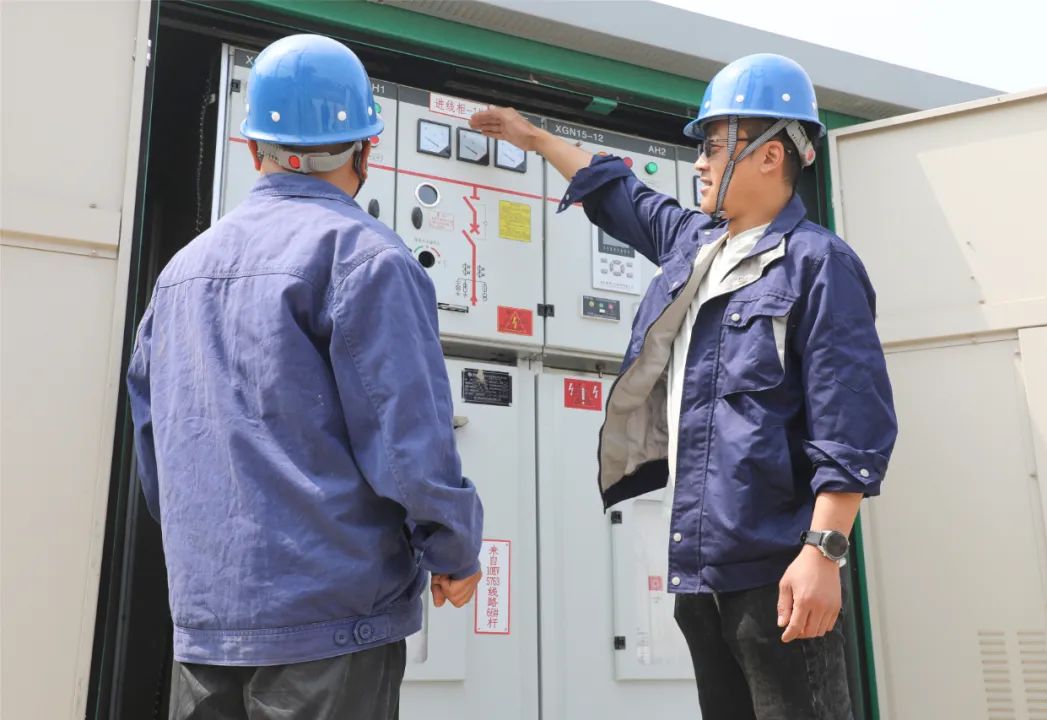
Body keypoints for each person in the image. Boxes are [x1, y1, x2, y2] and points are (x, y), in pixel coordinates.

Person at [471, 53, 897, 718]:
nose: (698, 163)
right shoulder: (695, 246)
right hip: (700, 574)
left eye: (714, 146)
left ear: (771, 155)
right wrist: (536, 139)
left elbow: (851, 422)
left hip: (779, 571)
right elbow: (620, 194)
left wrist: (823, 552)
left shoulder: (819, 265)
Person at [127, 34, 484, 720]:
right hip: (329, 626)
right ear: (366, 151)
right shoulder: (368, 259)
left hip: (208, 623)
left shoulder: (180, 273)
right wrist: (453, 548)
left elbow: (155, 453)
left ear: (251, 148)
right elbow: (408, 443)